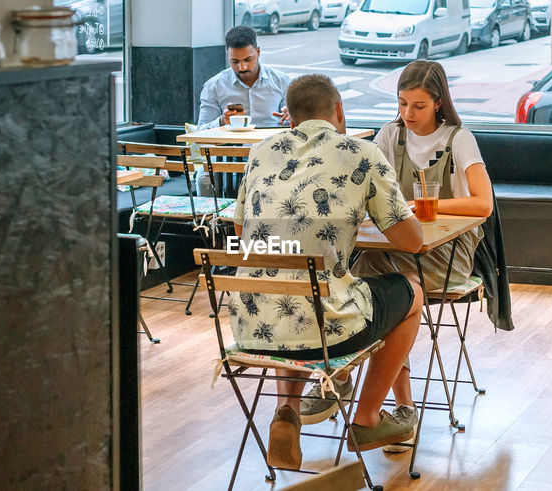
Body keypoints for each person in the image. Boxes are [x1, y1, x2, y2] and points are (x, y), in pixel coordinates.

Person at [229, 74, 425, 469]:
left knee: (291, 291)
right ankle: (368, 417)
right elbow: (411, 241)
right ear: (339, 111)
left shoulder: (260, 152)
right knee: (413, 293)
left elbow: (240, 231)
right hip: (327, 330)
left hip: (248, 328)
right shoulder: (362, 152)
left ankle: (287, 411)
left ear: (290, 118)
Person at [300, 60, 495, 452]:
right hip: (399, 249)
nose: (408, 114)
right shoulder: (390, 134)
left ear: (439, 103)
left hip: (448, 254)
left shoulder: (459, 139)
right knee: (376, 281)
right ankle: (397, 408)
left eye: (418, 106)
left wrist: (430, 205)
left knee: (369, 278)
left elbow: (483, 204)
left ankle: (342, 376)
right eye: (402, 103)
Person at [197, 25, 291, 130]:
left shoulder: (282, 81)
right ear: (227, 55)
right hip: (231, 145)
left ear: (258, 52)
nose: (242, 67)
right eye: (235, 61)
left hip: (272, 145)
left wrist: (293, 119)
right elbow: (201, 131)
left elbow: (294, 128)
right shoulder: (214, 86)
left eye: (248, 59)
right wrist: (222, 121)